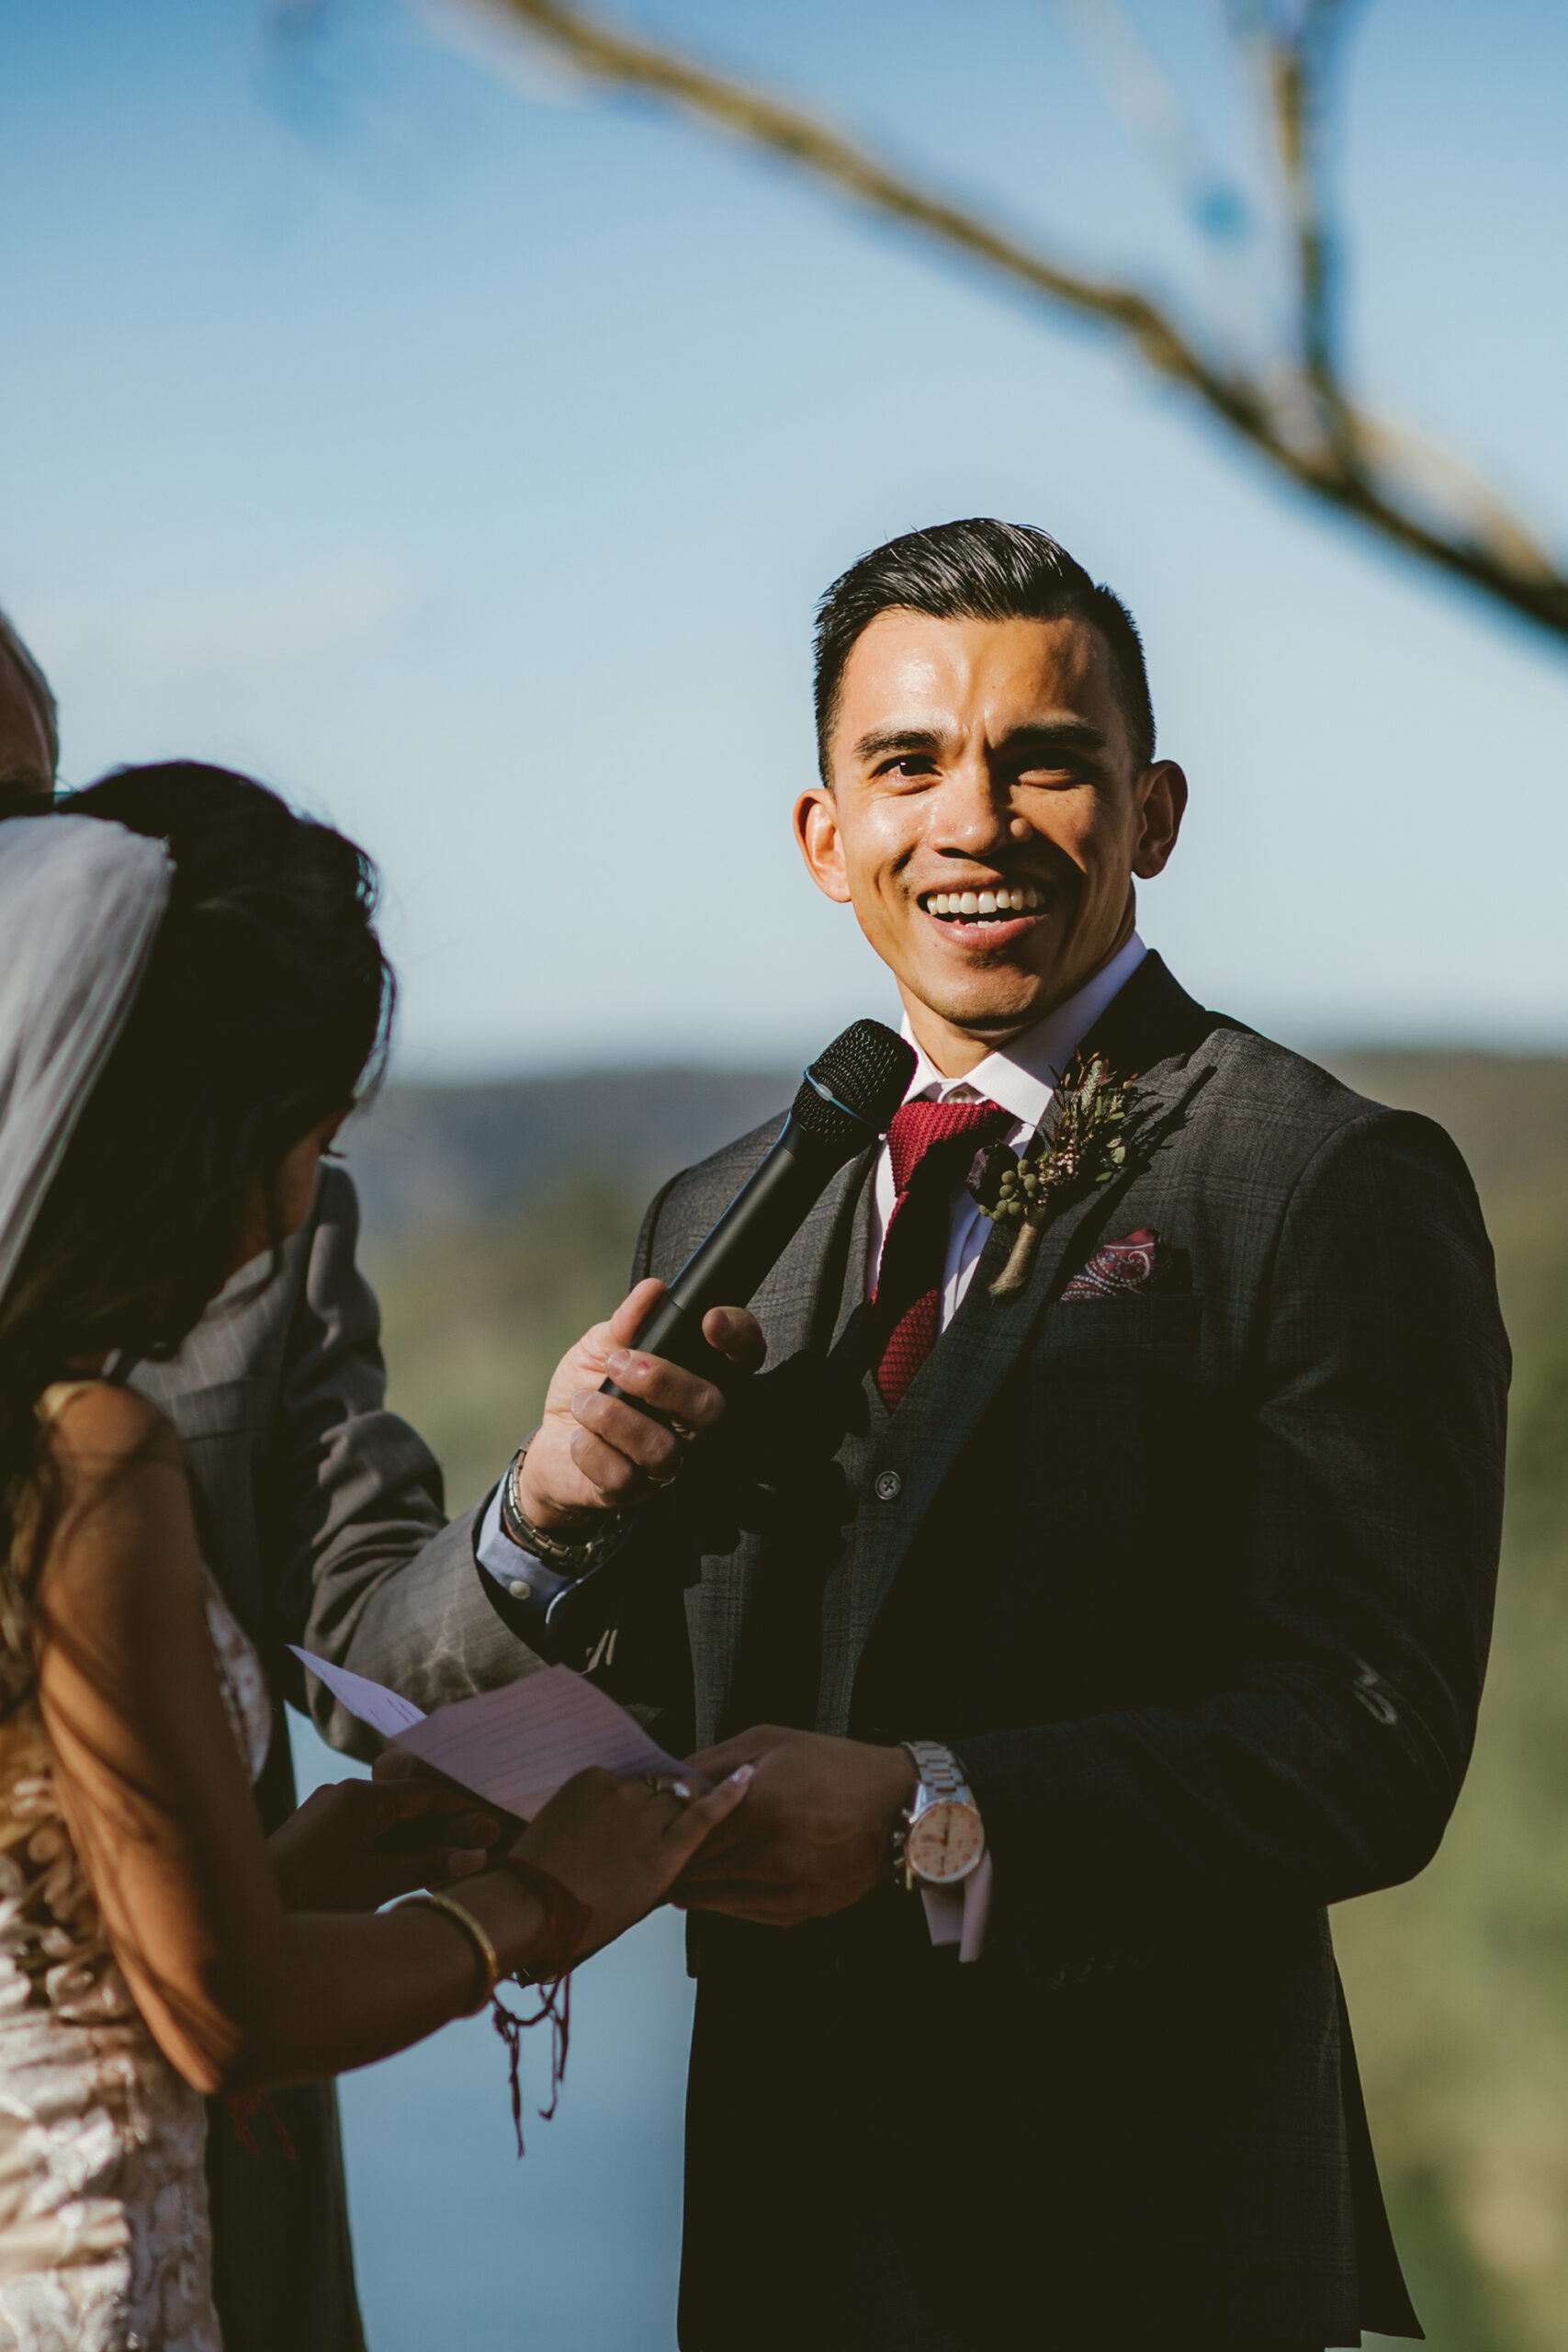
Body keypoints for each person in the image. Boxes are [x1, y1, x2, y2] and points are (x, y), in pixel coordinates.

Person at [333, 519, 1510, 2350]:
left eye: (1043, 757)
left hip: (1154, 2234)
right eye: (905, 763)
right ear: (824, 834)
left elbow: (1366, 1741)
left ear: (1153, 809)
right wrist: (540, 1526)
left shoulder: (1320, 1181)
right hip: (787, 2234)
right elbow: (517, 1700)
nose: (971, 816)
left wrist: (922, 1809)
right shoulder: (724, 1205)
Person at [0, 611, 759, 2351]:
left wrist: (346, 1834)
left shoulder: (199, 1309)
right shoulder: (85, 1448)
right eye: (301, 1139)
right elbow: (220, 2000)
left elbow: (133, 1853)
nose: (288, 1209)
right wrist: (544, 1899)